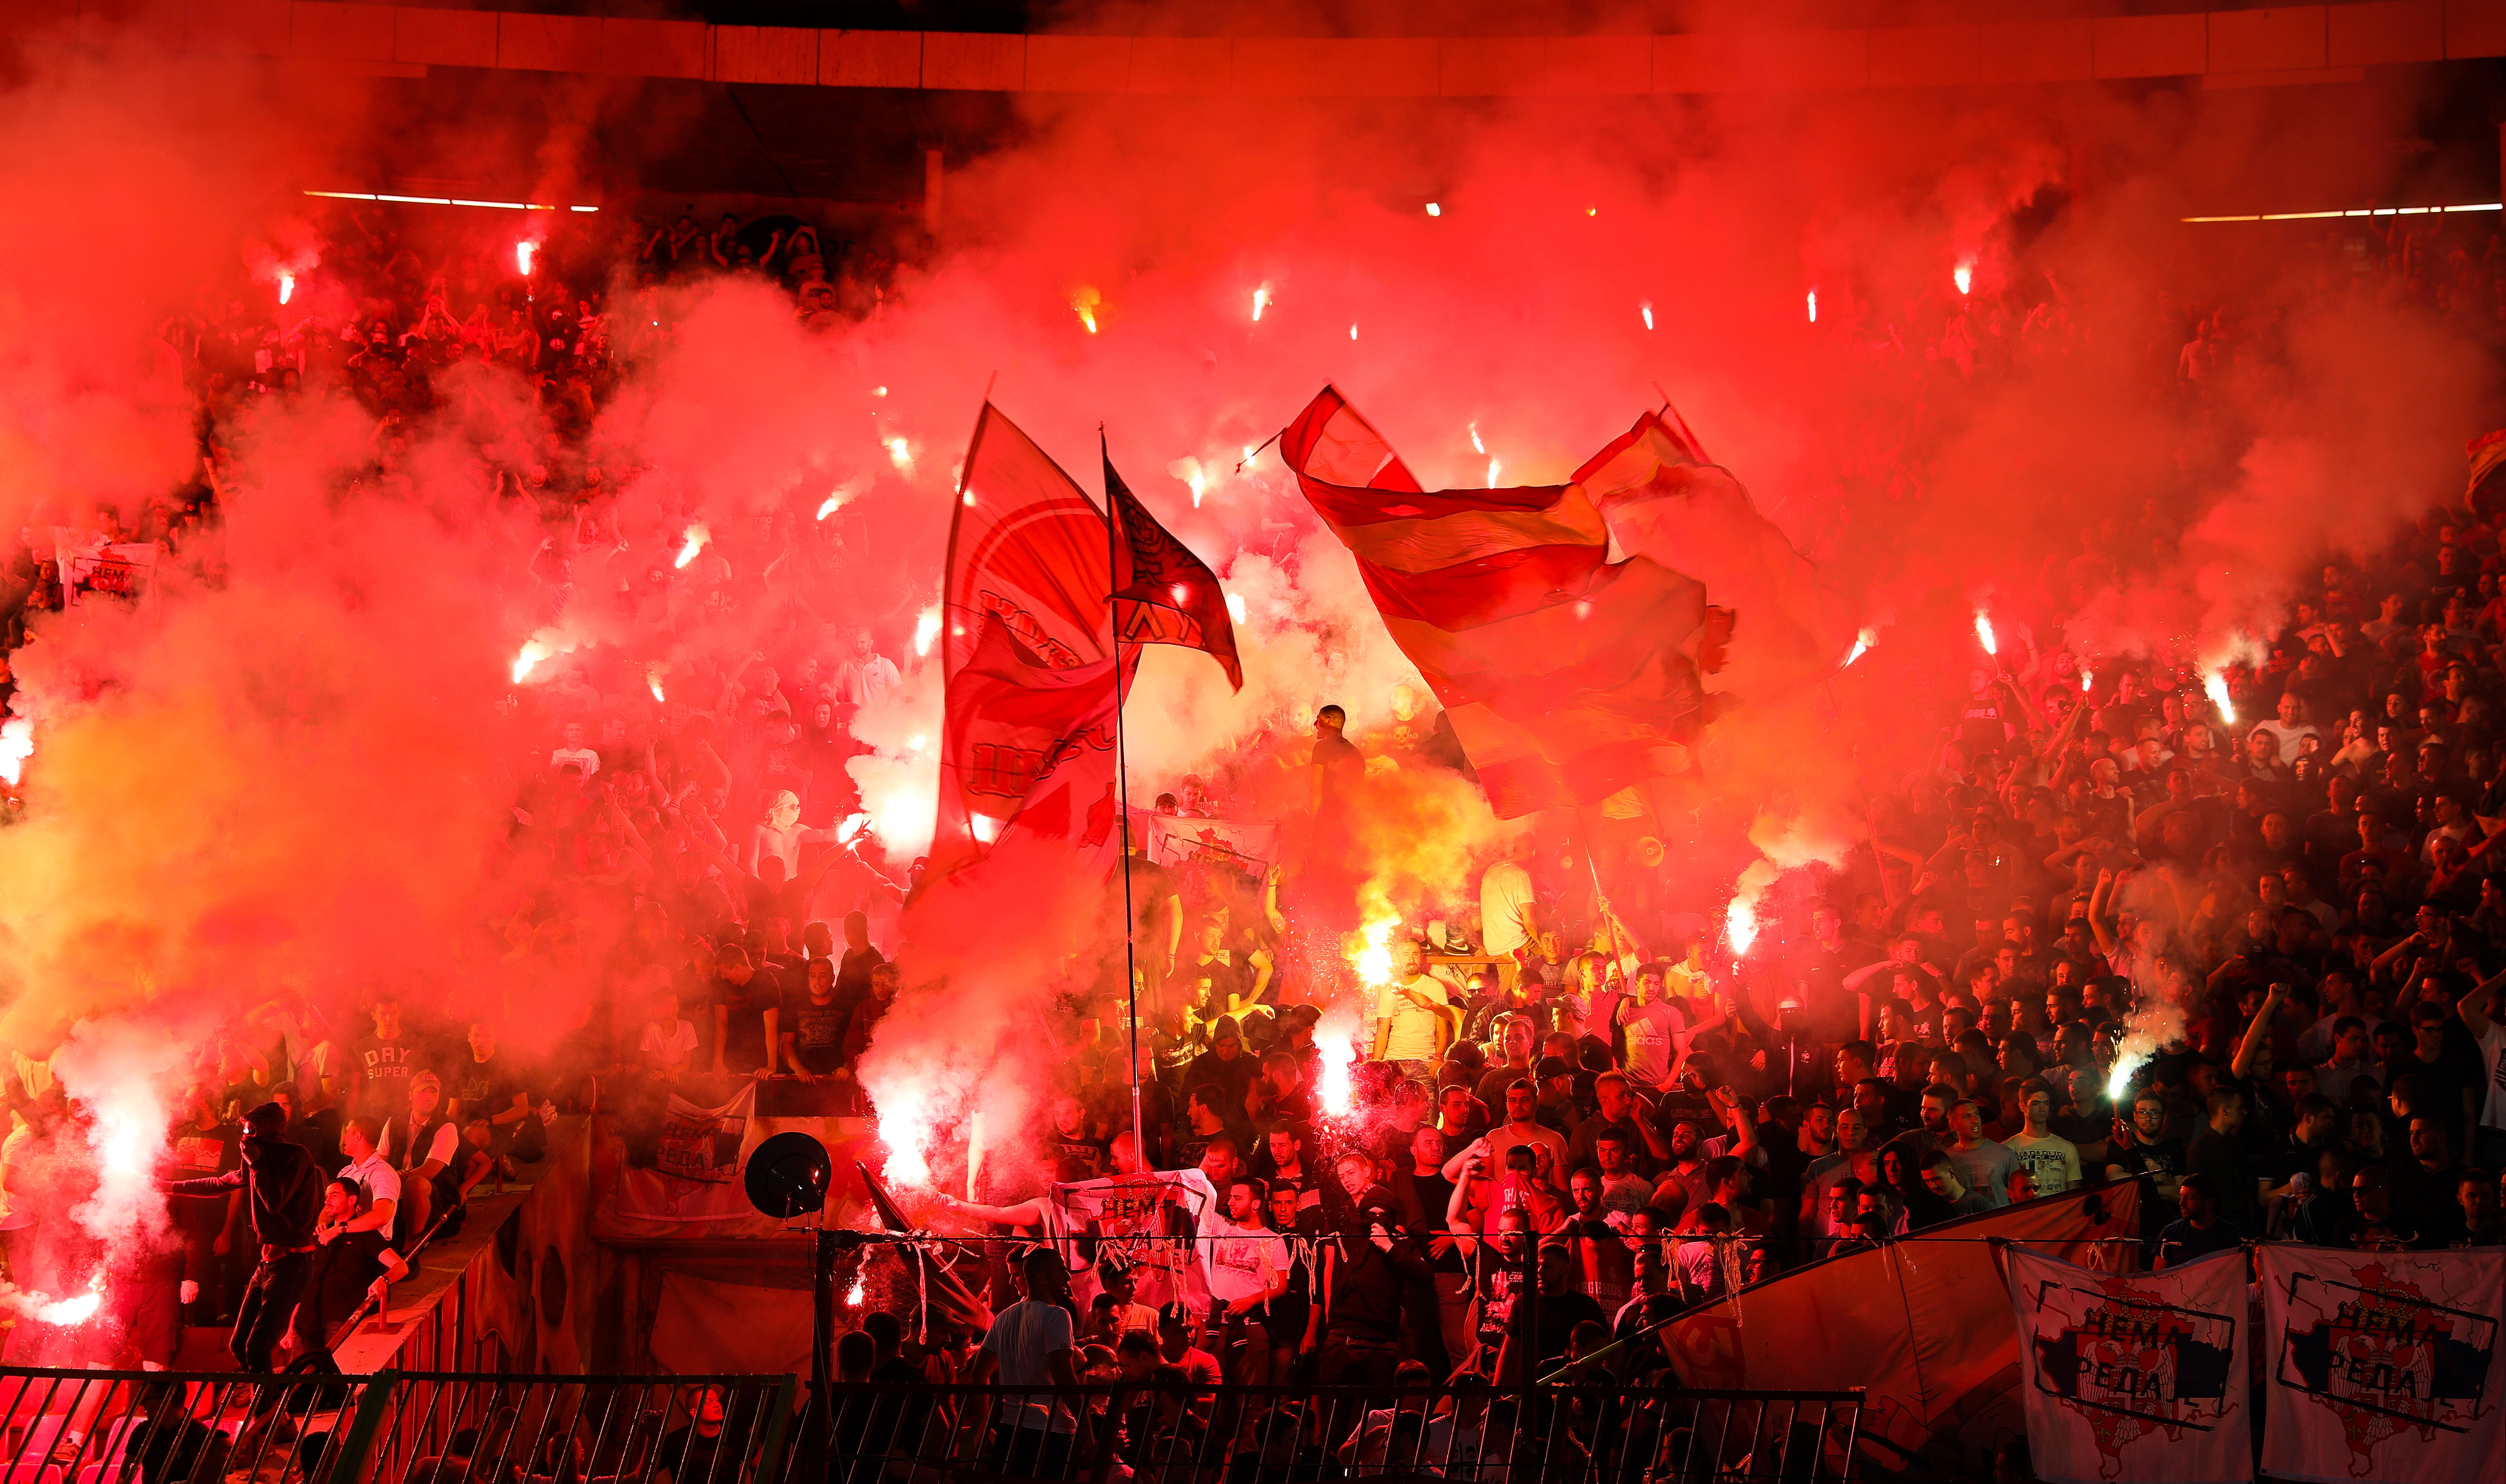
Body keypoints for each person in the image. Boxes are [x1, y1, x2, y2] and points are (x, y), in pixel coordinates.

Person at [158, 1101, 323, 1372]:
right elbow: (222, 1184)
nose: (245, 1134)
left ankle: (270, 1411)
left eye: (250, 1128)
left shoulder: (296, 1156)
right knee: (239, 1345)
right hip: (267, 1265)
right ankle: (274, 1407)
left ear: (266, 1129)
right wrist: (171, 1188)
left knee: (257, 1347)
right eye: (244, 1128)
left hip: (293, 1265)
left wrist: (256, 1163)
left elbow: (274, 1201)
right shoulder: (259, 1159)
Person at [969, 1248, 1080, 1476]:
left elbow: (979, 1374)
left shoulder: (1003, 1318)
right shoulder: (1057, 1315)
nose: (1068, 1278)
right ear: (1042, 1278)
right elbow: (1064, 1378)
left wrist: (985, 1426)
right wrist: (1087, 1429)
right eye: (1063, 1271)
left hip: (1010, 1429)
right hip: (1049, 1430)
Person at [2155, 1174, 2243, 1269]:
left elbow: (2244, 1278)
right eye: (2182, 1196)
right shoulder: (2171, 1233)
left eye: (2189, 1198)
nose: (2182, 1203)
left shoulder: (2233, 1237)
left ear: (2208, 1203)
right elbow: (2158, 1278)